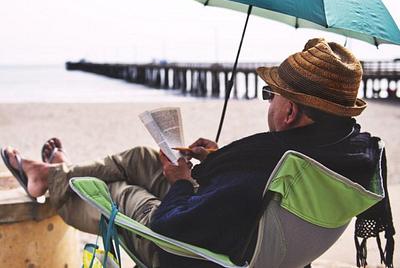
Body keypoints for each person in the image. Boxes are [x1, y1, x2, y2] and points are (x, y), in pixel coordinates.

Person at [1, 38, 394, 268]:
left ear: (290, 111)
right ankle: (50, 174)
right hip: (245, 224)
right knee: (143, 157)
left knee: (119, 188)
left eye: (270, 95)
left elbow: (173, 227)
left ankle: (56, 179)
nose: (268, 103)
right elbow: (256, 188)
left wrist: (180, 182)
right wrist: (221, 158)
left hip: (188, 253)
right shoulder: (342, 153)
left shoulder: (272, 165)